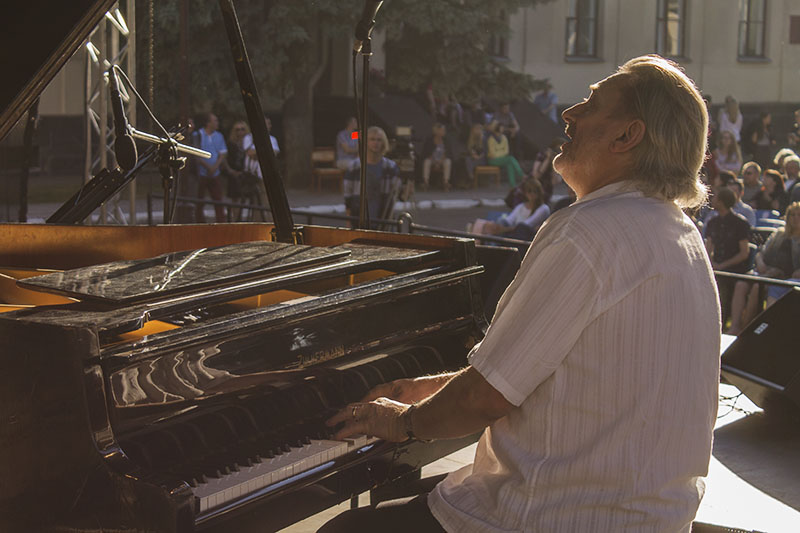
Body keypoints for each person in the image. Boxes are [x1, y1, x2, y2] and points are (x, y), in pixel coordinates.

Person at [320, 55, 720, 533]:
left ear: (625, 136)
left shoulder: (587, 233)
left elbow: (486, 397)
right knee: (423, 489)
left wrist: (401, 423)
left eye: (591, 103)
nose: (569, 114)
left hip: (555, 518)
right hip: (649, 517)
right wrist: (427, 391)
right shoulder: (681, 236)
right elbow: (543, 374)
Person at [728, 202, 800, 334]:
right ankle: (735, 325)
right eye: (792, 215)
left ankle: (746, 328)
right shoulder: (779, 234)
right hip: (765, 270)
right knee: (741, 284)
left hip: (782, 276)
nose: (795, 218)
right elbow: (762, 253)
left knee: (757, 287)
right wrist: (760, 262)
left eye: (799, 215)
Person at [343, 126, 400, 229]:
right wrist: (348, 222)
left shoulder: (390, 167)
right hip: (358, 220)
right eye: (372, 139)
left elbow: (397, 194)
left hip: (383, 221)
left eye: (379, 140)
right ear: (366, 142)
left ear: (383, 142)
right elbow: (348, 197)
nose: (376, 143)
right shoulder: (354, 167)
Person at [470, 179, 550, 238]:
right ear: (525, 193)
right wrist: (498, 226)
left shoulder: (543, 208)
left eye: (535, 191)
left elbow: (527, 225)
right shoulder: (521, 206)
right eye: (529, 191)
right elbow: (509, 220)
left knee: (520, 229)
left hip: (527, 237)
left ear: (539, 193)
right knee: (498, 222)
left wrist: (503, 229)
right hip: (512, 232)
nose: (532, 194)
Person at [192, 112, 227, 223]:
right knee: (200, 200)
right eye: (214, 121)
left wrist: (215, 167)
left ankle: (221, 223)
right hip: (202, 174)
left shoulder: (219, 136)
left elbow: (222, 153)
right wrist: (208, 167)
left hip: (215, 173)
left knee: (218, 200)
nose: (217, 123)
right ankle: (199, 222)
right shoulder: (198, 135)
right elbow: (196, 154)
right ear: (208, 123)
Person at [241, 115, 277, 221]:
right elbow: (249, 153)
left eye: (269, 124)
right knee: (255, 203)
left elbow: (273, 154)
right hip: (253, 174)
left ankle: (271, 223)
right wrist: (264, 151)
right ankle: (256, 223)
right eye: (266, 124)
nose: (269, 126)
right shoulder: (249, 138)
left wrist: (259, 153)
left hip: (266, 175)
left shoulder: (272, 139)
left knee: (269, 202)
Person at [221, 120, 249, 221]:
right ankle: (235, 219)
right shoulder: (230, 144)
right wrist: (230, 171)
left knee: (245, 198)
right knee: (234, 199)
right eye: (237, 130)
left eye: (242, 129)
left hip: (245, 172)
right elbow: (224, 158)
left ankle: (242, 218)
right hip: (233, 172)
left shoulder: (247, 144)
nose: (240, 132)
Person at [486, 121, 524, 187]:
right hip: (492, 160)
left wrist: (499, 153)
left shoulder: (504, 138)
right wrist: (501, 153)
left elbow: (506, 151)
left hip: (502, 159)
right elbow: (492, 153)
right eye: (501, 127)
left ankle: (512, 185)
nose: (503, 128)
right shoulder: (491, 139)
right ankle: (521, 175)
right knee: (510, 158)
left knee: (509, 163)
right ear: (497, 128)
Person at [421, 123, 454, 191]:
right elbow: (426, 153)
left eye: (444, 130)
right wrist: (435, 161)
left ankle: (446, 182)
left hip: (442, 160)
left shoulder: (446, 140)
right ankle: (426, 182)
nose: (443, 132)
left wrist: (440, 162)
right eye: (442, 130)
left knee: (448, 162)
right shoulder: (430, 140)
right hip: (432, 159)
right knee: (426, 162)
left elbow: (447, 153)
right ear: (437, 131)